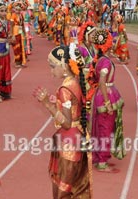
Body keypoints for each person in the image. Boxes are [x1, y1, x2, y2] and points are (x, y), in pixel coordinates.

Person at [33, 45, 91, 198]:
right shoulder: (74, 81)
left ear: (64, 66)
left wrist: (47, 104)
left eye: (53, 67)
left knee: (63, 189)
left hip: (68, 142)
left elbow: (66, 122)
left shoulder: (65, 88)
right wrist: (56, 101)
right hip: (78, 137)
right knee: (78, 185)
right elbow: (73, 106)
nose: (51, 71)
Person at [90, 29, 125, 172]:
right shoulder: (105, 62)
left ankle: (100, 157)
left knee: (102, 128)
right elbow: (103, 81)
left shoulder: (99, 60)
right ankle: (102, 162)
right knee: (106, 129)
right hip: (106, 96)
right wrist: (107, 103)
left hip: (103, 95)